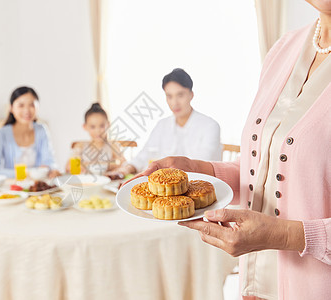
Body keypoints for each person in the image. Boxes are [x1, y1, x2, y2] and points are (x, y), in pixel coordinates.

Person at [129, 2, 331, 299]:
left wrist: (284, 235)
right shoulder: (284, 49)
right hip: (256, 286)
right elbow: (266, 169)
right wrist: (198, 169)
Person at [115, 68, 221, 176]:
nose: (174, 103)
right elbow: (144, 155)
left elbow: (200, 167)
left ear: (191, 95)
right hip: (165, 186)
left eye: (180, 95)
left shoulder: (210, 126)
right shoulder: (162, 125)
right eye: (169, 96)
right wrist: (126, 169)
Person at [0, 86, 61, 179]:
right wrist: (28, 173)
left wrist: (52, 169)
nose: (27, 110)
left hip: (39, 186)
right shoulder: (1, 134)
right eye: (21, 105)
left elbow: (50, 161)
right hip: (12, 188)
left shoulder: (42, 130)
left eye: (32, 105)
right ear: (11, 108)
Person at [65, 103, 125, 175]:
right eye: (93, 127)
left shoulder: (113, 145)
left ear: (108, 125)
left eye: (102, 126)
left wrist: (86, 164)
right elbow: (69, 167)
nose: (98, 131)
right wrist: (107, 164)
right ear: (85, 127)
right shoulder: (80, 145)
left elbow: (123, 163)